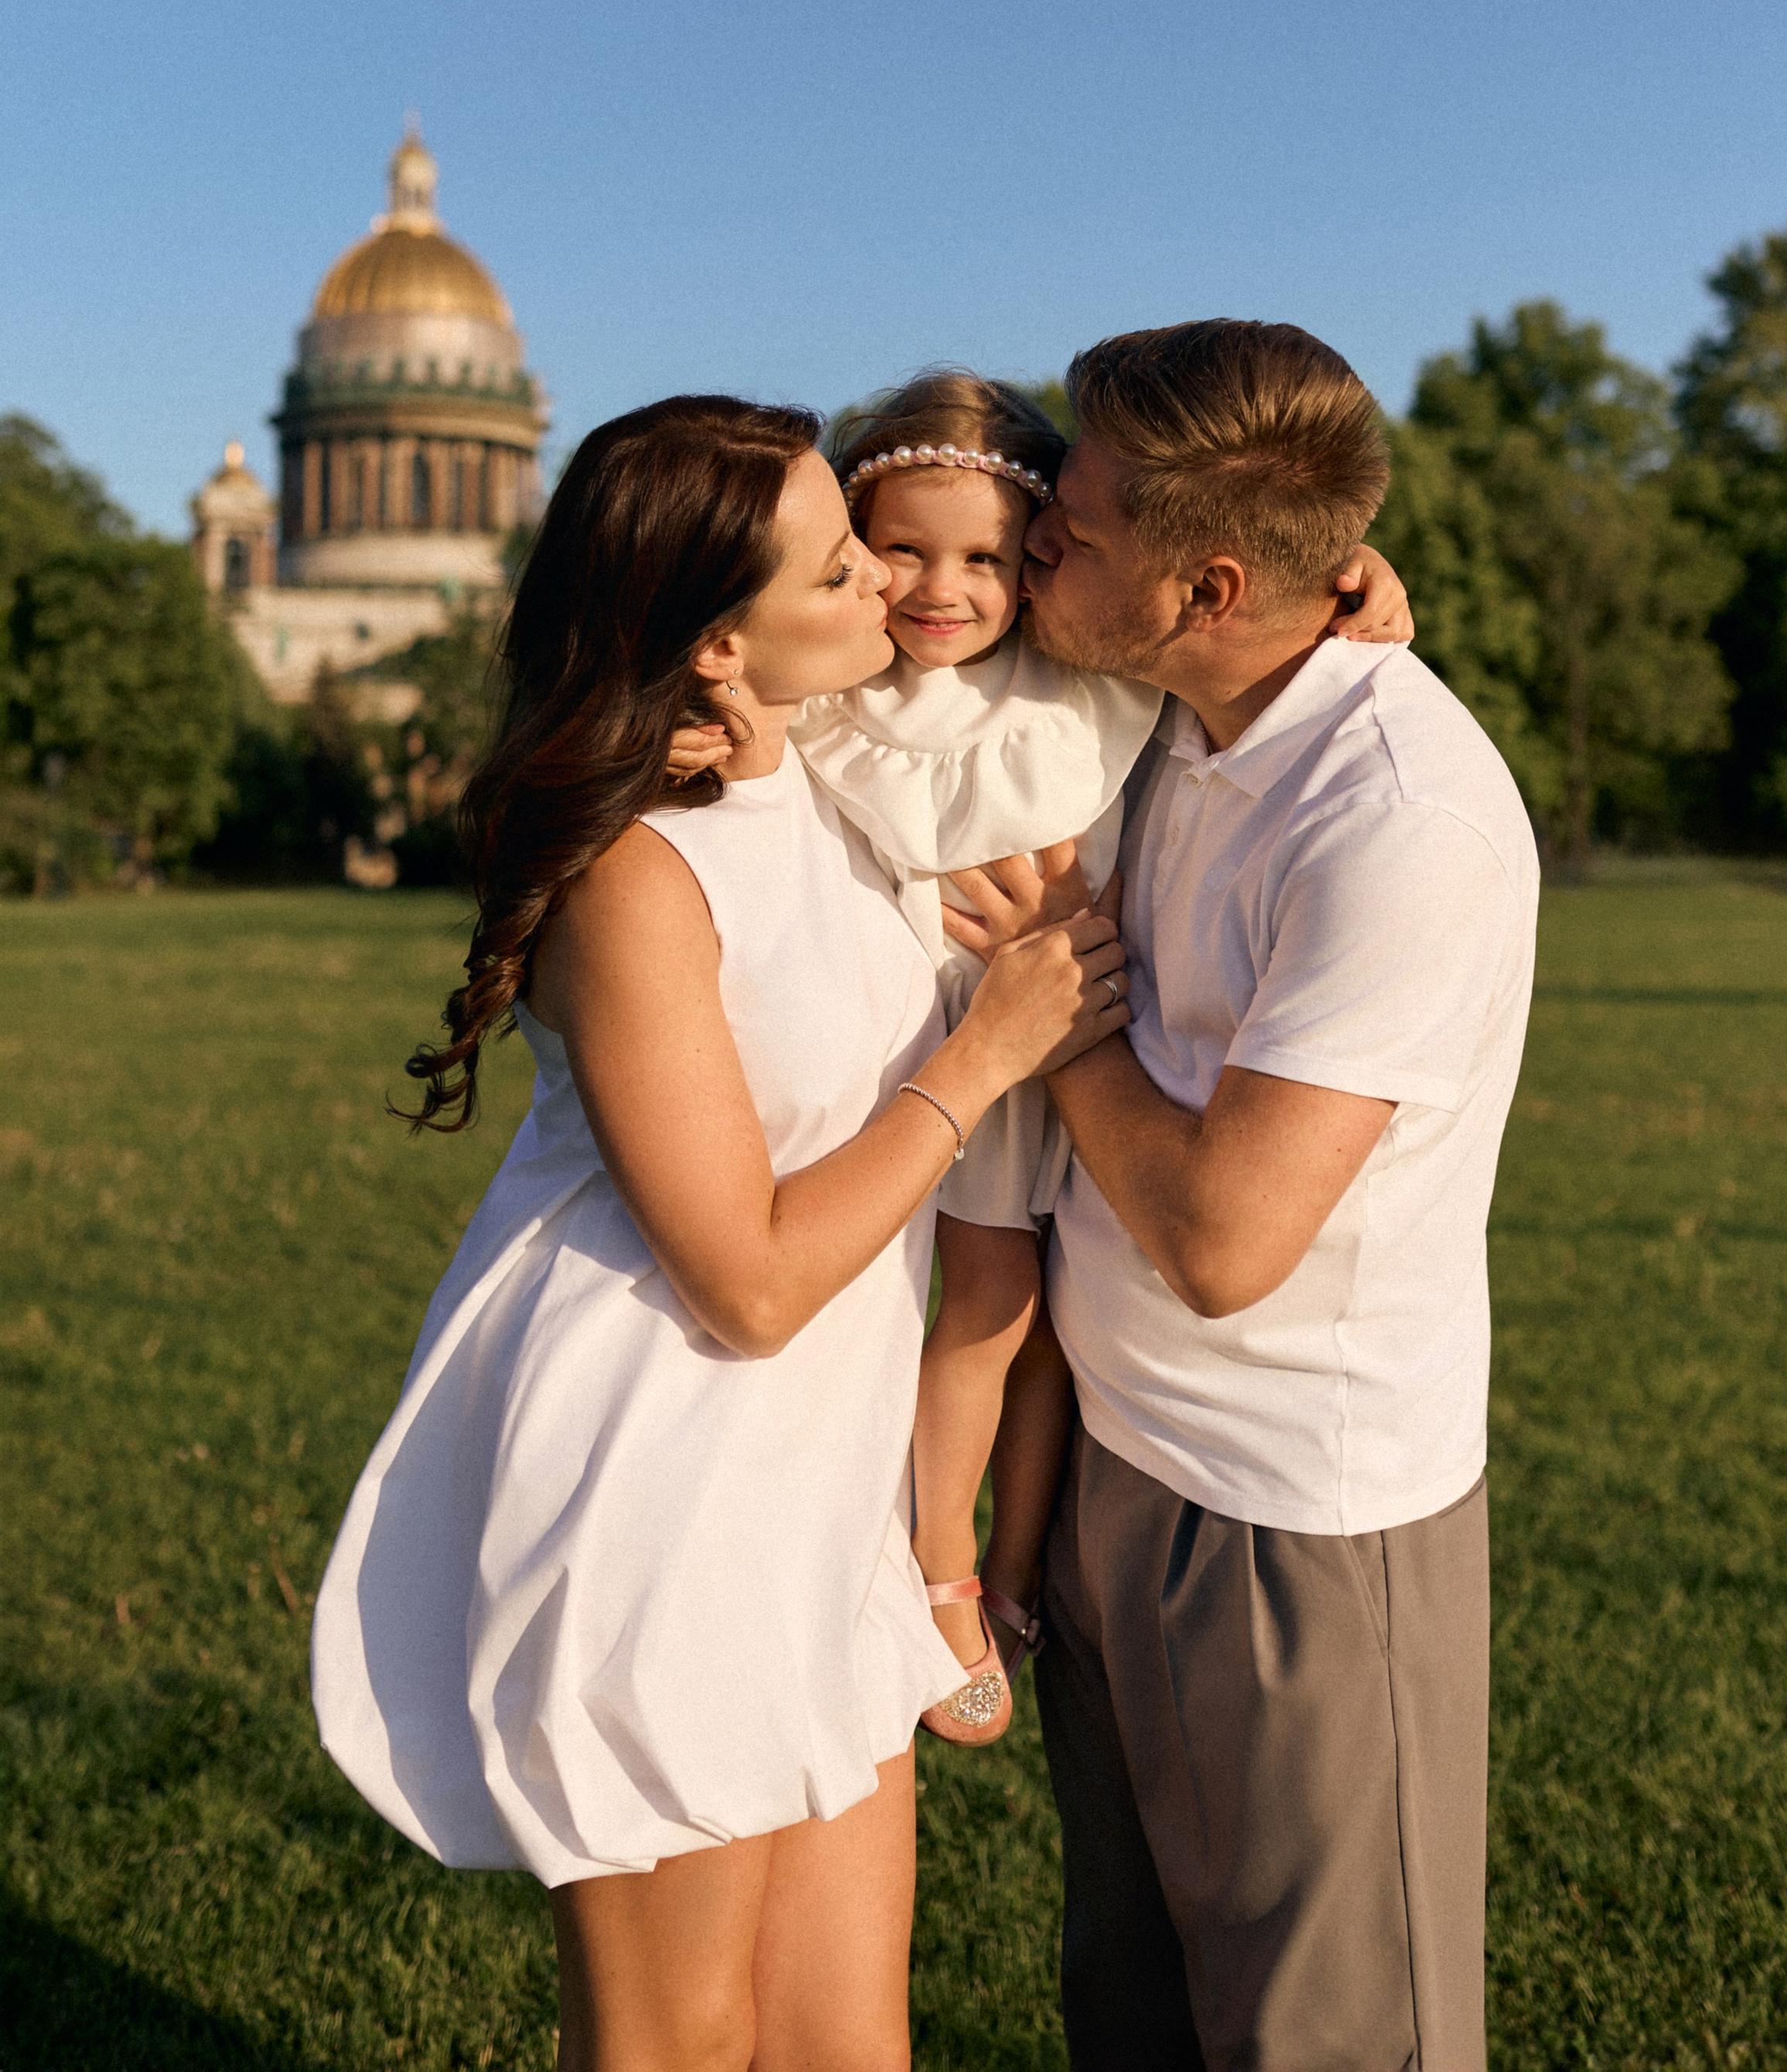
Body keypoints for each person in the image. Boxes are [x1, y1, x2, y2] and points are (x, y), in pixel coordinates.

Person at [309, 394, 1128, 2072]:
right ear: (709, 647)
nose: (890, 596)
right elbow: (746, 1282)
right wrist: (984, 1059)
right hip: (666, 1499)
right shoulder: (633, 879)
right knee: (676, 2041)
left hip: (820, 1497)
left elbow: (1057, 588)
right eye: (840, 572)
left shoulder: (827, 786)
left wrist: (1345, 583)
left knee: (845, 2039)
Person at [952, 320, 1539, 2072]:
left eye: (1085, 511)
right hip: (1115, 1476)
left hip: (1303, 1531)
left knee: (1327, 2039)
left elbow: (1222, 1241)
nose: (1043, 520)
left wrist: (1044, 1017)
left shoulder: (1397, 818)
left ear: (1208, 583)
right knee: (1132, 2025)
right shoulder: (1166, 708)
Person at [671, 371, 1412, 1754]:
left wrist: (1353, 573)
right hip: (954, 1036)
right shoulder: (834, 685)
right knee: (988, 1306)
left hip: (1087, 1024)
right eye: (898, 551)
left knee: (1065, 1317)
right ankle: (939, 1564)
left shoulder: (1080, 676)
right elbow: (732, 657)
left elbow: (1216, 578)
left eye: (989, 557)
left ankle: (1014, 1567)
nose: (941, 589)